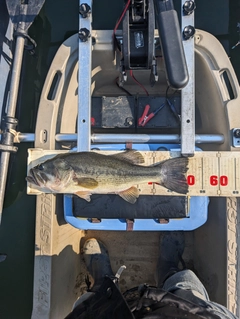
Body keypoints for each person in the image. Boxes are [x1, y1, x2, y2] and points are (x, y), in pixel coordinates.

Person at [65, 232, 238, 319]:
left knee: (93, 306)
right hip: (188, 313)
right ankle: (168, 269)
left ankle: (102, 284)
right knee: (184, 287)